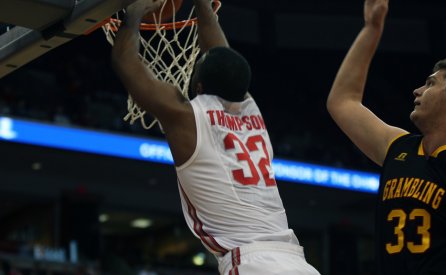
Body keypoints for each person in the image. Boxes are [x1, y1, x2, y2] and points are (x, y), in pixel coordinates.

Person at [111, 0, 321, 274]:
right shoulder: (250, 109)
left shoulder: (186, 116)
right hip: (297, 262)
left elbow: (124, 62)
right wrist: (202, 4)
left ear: (198, 87)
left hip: (254, 264)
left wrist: (134, 14)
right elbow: (222, 53)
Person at [326, 0, 446, 274]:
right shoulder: (398, 147)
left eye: (430, 83)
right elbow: (342, 102)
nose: (417, 90)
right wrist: (372, 29)